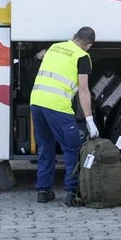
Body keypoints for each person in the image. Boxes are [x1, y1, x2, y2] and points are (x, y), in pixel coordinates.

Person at [31, 26, 99, 204]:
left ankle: (43, 191)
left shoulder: (54, 47)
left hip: (37, 102)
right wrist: (89, 120)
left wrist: (38, 55)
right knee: (72, 148)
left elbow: (40, 55)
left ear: (74, 37)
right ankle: (72, 193)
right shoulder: (83, 57)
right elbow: (83, 91)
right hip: (57, 106)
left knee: (46, 147)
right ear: (88, 45)